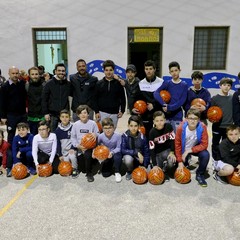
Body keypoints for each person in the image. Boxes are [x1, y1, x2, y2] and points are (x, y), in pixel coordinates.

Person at [175, 109, 210, 187]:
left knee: (205, 154)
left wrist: (189, 151)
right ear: (186, 119)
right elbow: (177, 146)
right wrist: (180, 161)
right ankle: (185, 161)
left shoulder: (202, 127)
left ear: (199, 120)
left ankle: (200, 174)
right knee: (177, 166)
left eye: (195, 119)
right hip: (182, 149)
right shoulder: (181, 128)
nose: (193, 121)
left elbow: (204, 144)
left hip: (193, 148)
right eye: (190, 118)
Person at [154, 61, 188, 133]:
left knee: (176, 139)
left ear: (179, 70)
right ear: (169, 72)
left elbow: (182, 101)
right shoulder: (167, 83)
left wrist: (169, 107)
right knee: (166, 139)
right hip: (166, 116)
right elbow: (156, 93)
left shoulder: (184, 85)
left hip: (177, 116)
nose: (174, 73)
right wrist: (163, 104)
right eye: (172, 71)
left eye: (176, 70)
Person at [71, 105, 99, 182]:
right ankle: (91, 163)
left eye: (85, 113)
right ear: (78, 115)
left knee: (87, 156)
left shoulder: (93, 123)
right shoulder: (75, 125)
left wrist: (95, 134)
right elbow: (73, 138)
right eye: (81, 113)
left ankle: (89, 174)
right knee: (83, 169)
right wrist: (78, 146)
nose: (83, 115)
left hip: (90, 148)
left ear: (88, 114)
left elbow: (98, 134)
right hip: (80, 148)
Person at [135, 60, 164, 138]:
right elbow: (138, 99)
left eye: (150, 69)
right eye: (146, 69)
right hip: (145, 115)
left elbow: (163, 99)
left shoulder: (161, 82)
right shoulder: (141, 83)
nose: (148, 71)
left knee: (158, 135)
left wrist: (154, 105)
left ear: (154, 69)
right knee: (147, 136)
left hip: (158, 112)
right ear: (144, 70)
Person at [94, 60, 126, 128]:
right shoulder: (99, 84)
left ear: (113, 71)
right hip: (102, 113)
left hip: (114, 113)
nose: (108, 72)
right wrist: (96, 112)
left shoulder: (118, 84)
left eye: (110, 70)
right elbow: (95, 98)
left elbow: (123, 98)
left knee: (112, 133)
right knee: (101, 133)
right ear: (104, 71)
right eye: (106, 70)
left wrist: (122, 111)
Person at [0, 66, 27, 145]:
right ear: (9, 74)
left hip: (22, 114)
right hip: (11, 115)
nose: (15, 75)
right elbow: (2, 102)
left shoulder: (22, 84)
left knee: (24, 133)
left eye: (16, 73)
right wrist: (3, 116)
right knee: (11, 134)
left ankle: (23, 150)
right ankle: (11, 153)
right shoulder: (5, 87)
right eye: (13, 73)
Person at [42, 63, 71, 132]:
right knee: (52, 134)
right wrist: (45, 113)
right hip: (52, 115)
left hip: (64, 114)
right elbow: (44, 99)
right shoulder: (49, 84)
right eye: (59, 70)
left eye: (63, 71)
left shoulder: (68, 84)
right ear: (55, 71)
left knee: (65, 133)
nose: (61, 72)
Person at [149, 111, 176, 181]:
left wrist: (172, 152)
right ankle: (159, 166)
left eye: (161, 120)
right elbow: (151, 149)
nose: (159, 122)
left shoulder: (169, 127)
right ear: (154, 122)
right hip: (157, 154)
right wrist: (155, 164)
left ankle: (166, 170)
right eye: (157, 121)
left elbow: (173, 140)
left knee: (171, 162)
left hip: (167, 151)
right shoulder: (152, 132)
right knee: (158, 171)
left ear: (164, 120)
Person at [211, 78, 233, 164]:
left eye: (228, 85)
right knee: (215, 144)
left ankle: (223, 161)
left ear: (230, 87)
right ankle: (215, 161)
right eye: (224, 85)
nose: (226, 87)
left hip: (228, 126)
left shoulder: (232, 98)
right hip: (217, 126)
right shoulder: (215, 98)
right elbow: (210, 112)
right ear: (220, 86)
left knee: (225, 145)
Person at [121, 115, 150, 180]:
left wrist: (145, 165)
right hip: (131, 158)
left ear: (139, 126)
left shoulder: (143, 137)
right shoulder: (124, 136)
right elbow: (123, 150)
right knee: (128, 159)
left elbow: (146, 152)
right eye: (131, 126)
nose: (133, 128)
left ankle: (140, 167)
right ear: (128, 126)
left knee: (149, 174)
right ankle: (129, 171)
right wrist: (136, 153)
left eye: (135, 126)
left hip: (140, 159)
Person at [95, 117, 122, 182]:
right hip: (105, 156)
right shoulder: (100, 136)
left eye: (110, 128)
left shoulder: (118, 135)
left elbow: (119, 147)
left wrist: (112, 152)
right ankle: (107, 165)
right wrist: (98, 155)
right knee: (105, 174)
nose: (108, 130)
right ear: (102, 129)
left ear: (113, 128)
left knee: (118, 156)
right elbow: (97, 146)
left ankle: (117, 171)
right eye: (105, 128)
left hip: (114, 153)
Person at [55, 109, 78, 178]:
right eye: (63, 117)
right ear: (60, 118)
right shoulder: (58, 130)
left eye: (66, 117)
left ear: (70, 118)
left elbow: (75, 139)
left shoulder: (73, 126)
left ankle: (75, 169)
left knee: (72, 156)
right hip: (63, 151)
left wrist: (72, 148)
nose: (64, 119)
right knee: (66, 162)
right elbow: (58, 144)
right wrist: (60, 154)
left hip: (72, 150)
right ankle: (70, 166)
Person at [26, 67, 45, 135]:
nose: (35, 76)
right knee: (33, 136)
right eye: (33, 74)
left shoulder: (44, 85)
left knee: (44, 136)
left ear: (39, 74)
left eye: (36, 74)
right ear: (29, 75)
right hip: (32, 116)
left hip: (43, 116)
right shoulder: (26, 86)